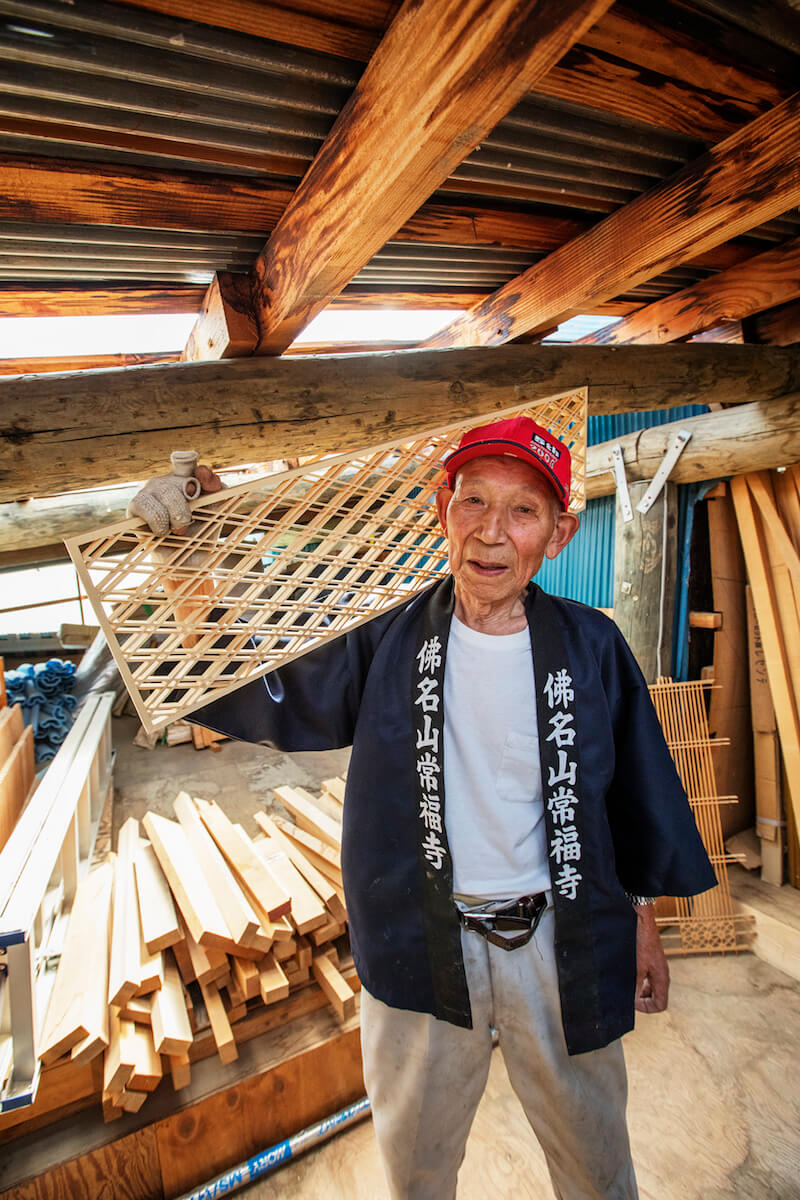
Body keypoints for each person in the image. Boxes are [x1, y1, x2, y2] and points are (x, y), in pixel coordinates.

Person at [131, 416, 716, 1199]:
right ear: (443, 509)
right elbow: (249, 675)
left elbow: (631, 796)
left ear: (560, 533)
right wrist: (193, 558)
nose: (491, 532)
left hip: (563, 939)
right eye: (473, 501)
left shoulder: (593, 645)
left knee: (597, 1157)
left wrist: (641, 918)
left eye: (522, 510)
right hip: (422, 938)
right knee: (416, 1166)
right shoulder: (384, 639)